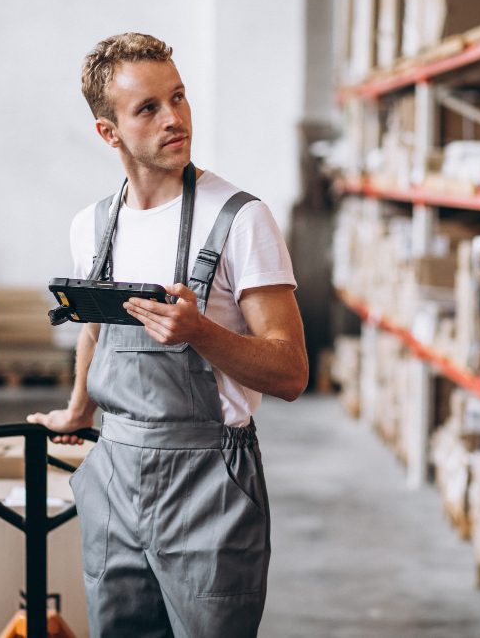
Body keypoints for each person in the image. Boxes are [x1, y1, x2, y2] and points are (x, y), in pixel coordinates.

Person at [27, 32, 307, 638]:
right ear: (109, 132)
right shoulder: (93, 226)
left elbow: (291, 372)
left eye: (178, 97)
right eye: (148, 108)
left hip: (209, 484)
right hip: (114, 474)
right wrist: (78, 410)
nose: (174, 118)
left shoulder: (239, 219)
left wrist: (201, 331)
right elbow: (96, 329)